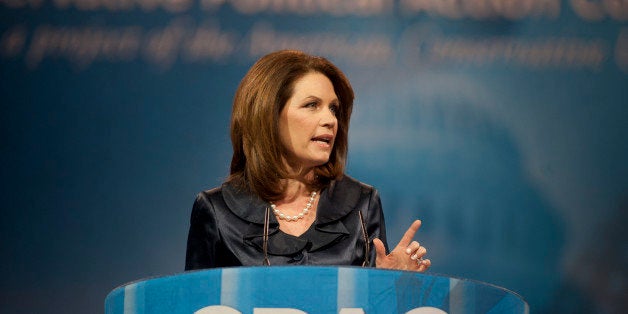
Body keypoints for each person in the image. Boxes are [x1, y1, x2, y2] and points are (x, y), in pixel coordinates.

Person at [185, 50, 431, 272]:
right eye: (312, 105)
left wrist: (388, 284)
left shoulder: (361, 205)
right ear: (268, 116)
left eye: (334, 109)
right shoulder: (217, 211)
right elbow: (195, 305)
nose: (330, 119)